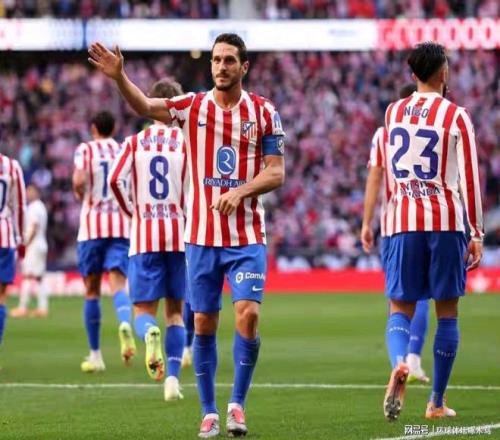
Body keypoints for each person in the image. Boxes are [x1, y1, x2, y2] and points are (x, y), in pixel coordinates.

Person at [88, 32, 285, 438]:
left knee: (248, 315)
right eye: (216, 60)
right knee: (205, 322)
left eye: (229, 60)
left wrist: (240, 192)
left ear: (244, 67)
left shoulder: (264, 112)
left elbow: (276, 171)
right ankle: (209, 412)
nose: (221, 66)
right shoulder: (193, 107)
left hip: (246, 234)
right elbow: (145, 106)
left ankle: (237, 406)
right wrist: (120, 77)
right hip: (200, 237)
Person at [381, 42, 483, 421]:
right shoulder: (457, 116)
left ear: (413, 75)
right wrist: (476, 232)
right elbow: (469, 179)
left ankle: (400, 361)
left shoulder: (393, 112)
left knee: (400, 307)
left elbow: (391, 173)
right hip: (444, 221)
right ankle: (436, 401)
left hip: (403, 219)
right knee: (448, 313)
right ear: (444, 73)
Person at [109, 78, 189, 401]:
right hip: (179, 236)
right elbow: (195, 187)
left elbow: (115, 180)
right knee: (175, 313)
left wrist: (132, 211)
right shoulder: (185, 143)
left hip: (144, 235)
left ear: (151, 103)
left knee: (143, 312)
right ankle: (172, 381)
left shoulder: (135, 142)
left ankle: (148, 333)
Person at [361, 84, 430, 384]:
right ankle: (413, 360)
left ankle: (399, 361)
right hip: (431, 222)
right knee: (423, 295)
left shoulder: (384, 134)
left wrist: (366, 222)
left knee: (399, 298)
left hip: (395, 225)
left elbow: (375, 178)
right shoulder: (434, 128)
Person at [72, 111, 135, 373]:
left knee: (92, 290)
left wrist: (80, 194)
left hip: (92, 228)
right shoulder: (122, 149)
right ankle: (124, 321)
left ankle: (96, 355)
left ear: (93, 128)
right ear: (114, 128)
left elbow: (79, 179)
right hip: (120, 226)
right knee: (118, 284)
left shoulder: (86, 149)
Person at [0, 153, 26, 359]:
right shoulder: (11, 165)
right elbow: (19, 206)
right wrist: (20, 239)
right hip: (5, 237)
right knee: (1, 298)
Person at [11, 184, 49, 318]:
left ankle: (23, 307)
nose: (28, 193)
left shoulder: (34, 207)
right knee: (38, 277)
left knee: (27, 276)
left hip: (34, 245)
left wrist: (25, 243)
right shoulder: (42, 207)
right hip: (41, 243)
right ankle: (42, 307)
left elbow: (34, 226)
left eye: (30, 191)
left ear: (37, 192)